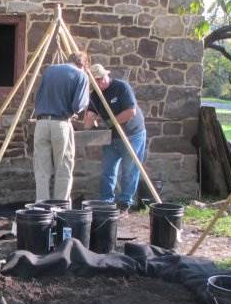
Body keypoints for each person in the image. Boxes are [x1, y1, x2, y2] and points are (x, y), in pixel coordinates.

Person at [83, 63, 146, 212]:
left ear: (107, 75)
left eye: (102, 78)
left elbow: (131, 111)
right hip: (111, 136)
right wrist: (88, 119)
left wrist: (110, 122)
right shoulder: (95, 95)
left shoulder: (121, 87)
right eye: (96, 80)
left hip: (132, 134)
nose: (100, 82)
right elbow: (89, 120)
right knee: (108, 169)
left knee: (130, 170)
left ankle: (125, 202)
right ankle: (106, 203)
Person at [33, 52, 89, 201]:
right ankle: (60, 207)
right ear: (82, 64)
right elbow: (79, 105)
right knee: (63, 167)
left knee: (41, 169)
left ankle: (41, 208)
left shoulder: (49, 70)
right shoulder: (81, 75)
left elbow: (37, 96)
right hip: (61, 124)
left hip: (41, 124)